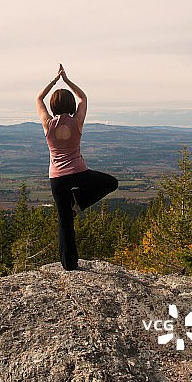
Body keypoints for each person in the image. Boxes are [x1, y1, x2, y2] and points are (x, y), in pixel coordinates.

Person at [36, 64, 118, 270]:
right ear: (71, 105)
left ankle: (69, 265)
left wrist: (55, 80)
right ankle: (79, 200)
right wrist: (67, 80)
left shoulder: (48, 124)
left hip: (56, 178)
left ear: (53, 106)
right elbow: (83, 97)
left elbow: (38, 99)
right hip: (79, 173)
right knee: (111, 183)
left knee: (65, 222)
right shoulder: (77, 122)